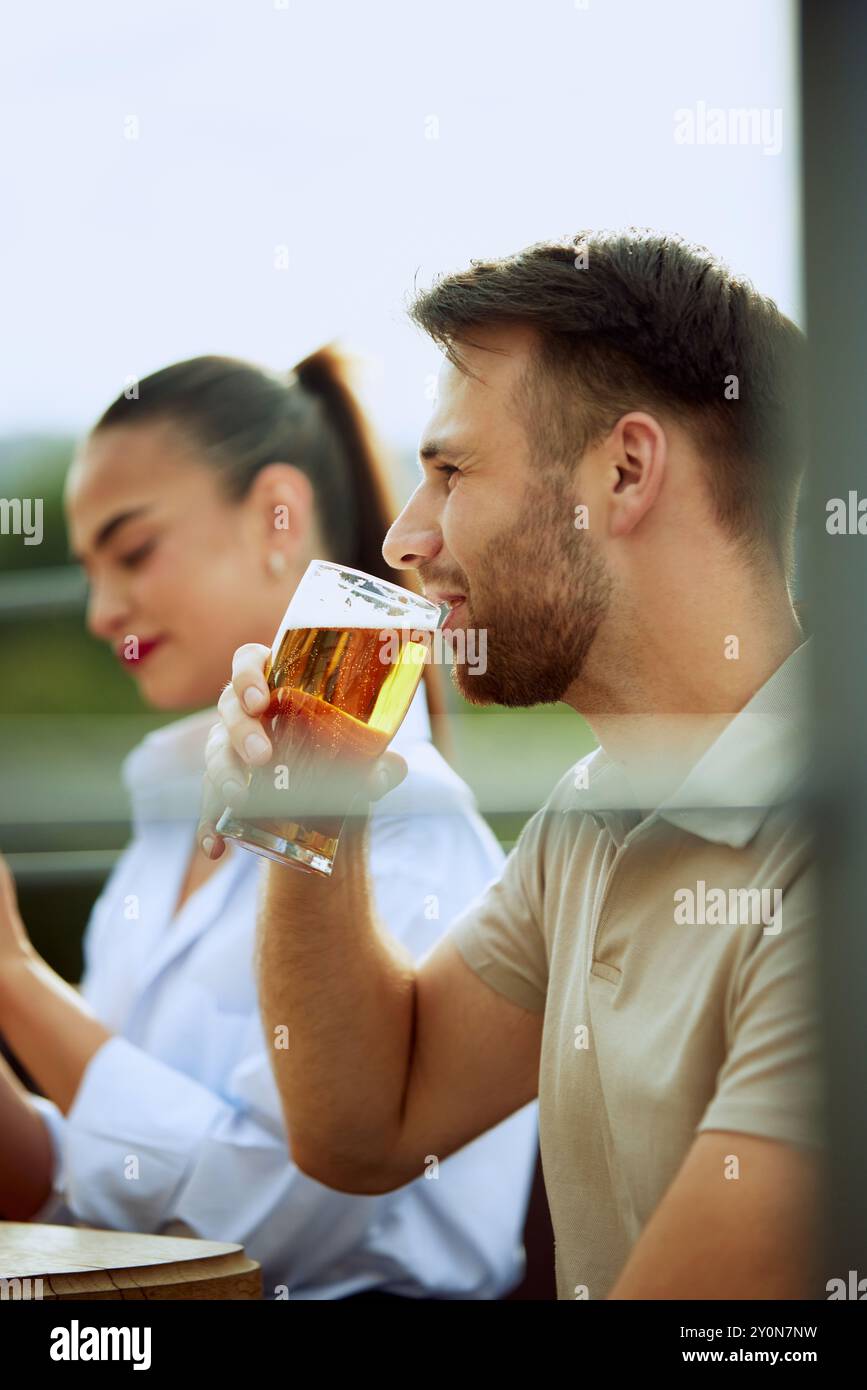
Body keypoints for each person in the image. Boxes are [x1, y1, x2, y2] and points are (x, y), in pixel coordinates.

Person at [201, 232, 824, 1301]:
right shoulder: (595, 814)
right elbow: (367, 1123)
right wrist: (309, 814)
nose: (403, 536)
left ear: (624, 472)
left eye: (449, 471)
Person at [0, 346, 539, 1300]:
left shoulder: (407, 820)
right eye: (87, 569)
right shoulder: (164, 823)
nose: (97, 612)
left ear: (273, 518)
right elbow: (91, 1175)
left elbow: (265, 1230)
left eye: (131, 552)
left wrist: (16, 986)